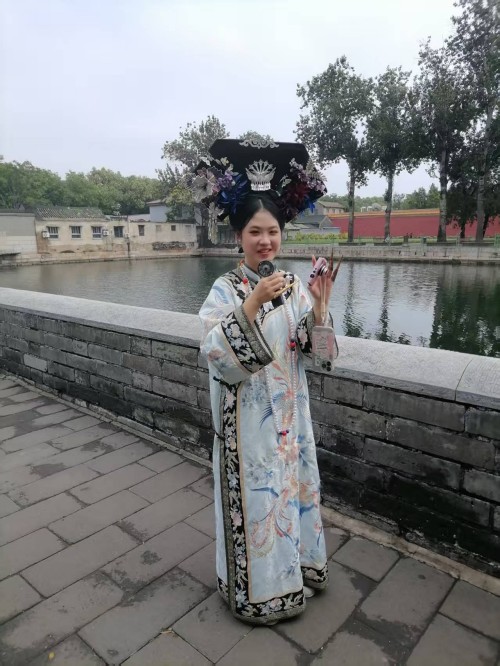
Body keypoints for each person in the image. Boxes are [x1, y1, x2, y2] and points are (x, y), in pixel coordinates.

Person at [192, 139, 339, 625]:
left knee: (291, 495)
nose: (265, 241)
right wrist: (253, 302)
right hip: (248, 429)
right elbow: (217, 353)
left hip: (291, 422)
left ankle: (296, 576)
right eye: (255, 232)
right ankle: (256, 595)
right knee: (256, 504)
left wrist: (319, 311)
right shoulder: (224, 290)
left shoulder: (294, 287)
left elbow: (315, 356)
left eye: (272, 231)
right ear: (238, 235)